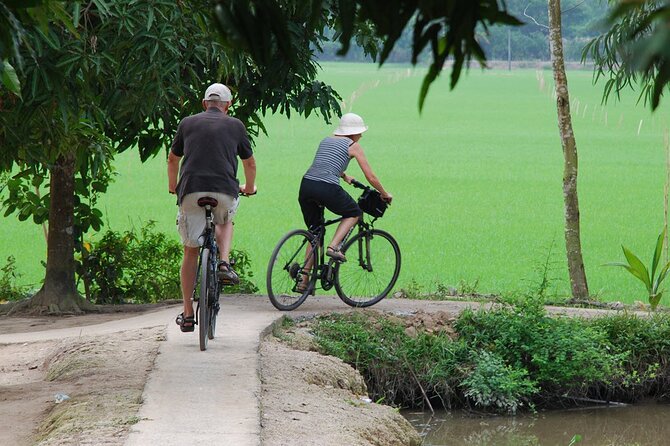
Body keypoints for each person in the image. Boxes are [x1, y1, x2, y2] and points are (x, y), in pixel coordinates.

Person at [168, 83, 257, 332]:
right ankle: (224, 263)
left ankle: (187, 313)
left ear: (204, 102)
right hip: (224, 191)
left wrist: (173, 185)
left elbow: (173, 158)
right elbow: (249, 163)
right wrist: (249, 188)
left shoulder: (187, 122)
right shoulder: (236, 125)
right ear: (228, 105)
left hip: (191, 191)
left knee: (190, 250)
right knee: (225, 220)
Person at [298, 112, 392, 289]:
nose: (361, 136)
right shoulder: (353, 145)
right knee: (354, 212)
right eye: (360, 132)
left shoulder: (326, 140)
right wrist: (384, 193)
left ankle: (303, 280)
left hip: (306, 185)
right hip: (327, 187)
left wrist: (344, 175)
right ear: (354, 132)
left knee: (315, 232)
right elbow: (370, 176)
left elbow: (324, 164)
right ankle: (333, 247)